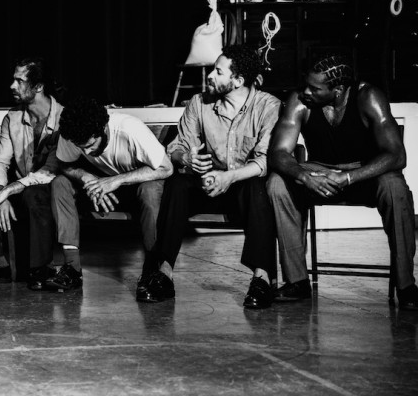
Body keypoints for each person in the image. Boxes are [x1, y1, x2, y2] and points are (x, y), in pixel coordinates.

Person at [267, 54, 417, 309]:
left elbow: (396, 155)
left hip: (365, 172)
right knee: (277, 184)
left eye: (315, 88)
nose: (306, 92)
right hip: (319, 172)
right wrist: (304, 175)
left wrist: (348, 177)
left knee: (395, 187)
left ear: (338, 90)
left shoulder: (368, 97)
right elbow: (277, 153)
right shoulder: (299, 101)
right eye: (306, 85)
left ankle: (406, 285)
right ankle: (297, 281)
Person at [151, 45, 281, 308]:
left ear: (238, 81)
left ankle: (262, 279)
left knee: (258, 186)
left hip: (244, 188)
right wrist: (186, 159)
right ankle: (163, 273)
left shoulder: (268, 106)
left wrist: (229, 177)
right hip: (210, 185)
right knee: (176, 184)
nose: (210, 75)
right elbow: (177, 147)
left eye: (218, 72)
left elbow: (265, 160)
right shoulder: (200, 103)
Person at [0, 58, 63, 289]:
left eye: (19, 81)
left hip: (48, 188)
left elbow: (50, 171)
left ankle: (39, 268)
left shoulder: (62, 119)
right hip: (17, 187)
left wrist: (7, 192)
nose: (12, 86)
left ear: (38, 86)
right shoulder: (12, 118)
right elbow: (0, 161)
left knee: (34, 194)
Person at [49, 97, 172, 292]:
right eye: (82, 148)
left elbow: (166, 168)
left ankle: (152, 271)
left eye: (91, 144)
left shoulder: (129, 129)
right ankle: (72, 269)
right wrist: (88, 178)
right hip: (101, 183)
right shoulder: (73, 134)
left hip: (138, 183)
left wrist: (116, 181)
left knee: (150, 191)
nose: (88, 151)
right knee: (60, 184)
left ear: (103, 128)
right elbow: (64, 164)